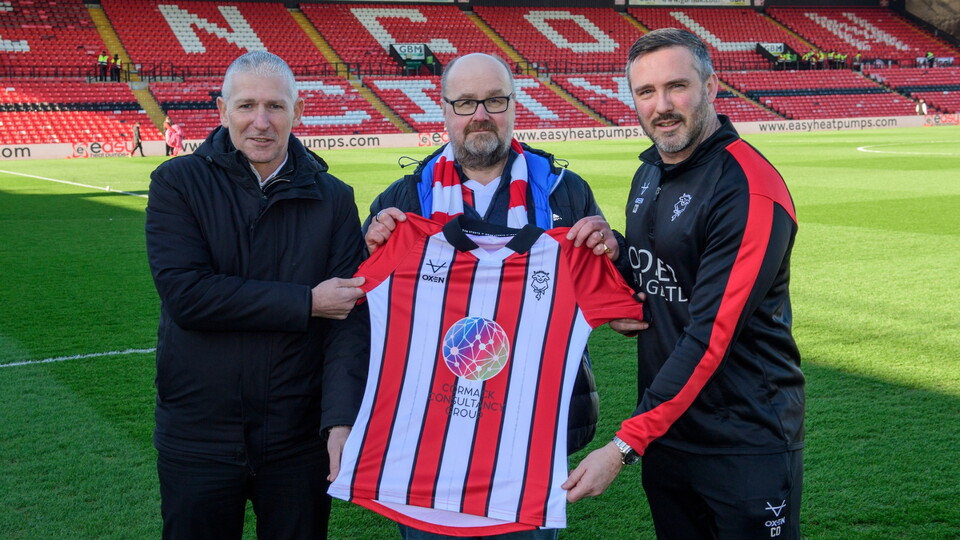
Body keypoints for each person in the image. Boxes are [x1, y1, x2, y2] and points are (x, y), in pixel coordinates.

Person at [362, 52, 633, 540]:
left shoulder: (565, 194)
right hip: (425, 439)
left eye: (494, 100)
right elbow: (360, 311)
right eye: (466, 102)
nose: (480, 114)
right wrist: (371, 248)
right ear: (444, 109)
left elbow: (625, 313)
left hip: (529, 443)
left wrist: (610, 251)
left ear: (514, 105)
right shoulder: (401, 203)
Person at [563, 29, 804, 540]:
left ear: (712, 87)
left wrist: (624, 446)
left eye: (677, 86)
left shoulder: (748, 189)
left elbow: (711, 333)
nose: (662, 105)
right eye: (646, 92)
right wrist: (616, 250)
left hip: (742, 438)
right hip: (668, 434)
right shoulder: (650, 172)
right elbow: (659, 278)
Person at [144, 50, 369, 540]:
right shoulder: (176, 183)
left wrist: (339, 420)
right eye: (246, 106)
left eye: (275, 106)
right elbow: (187, 296)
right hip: (198, 432)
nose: (261, 122)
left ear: (298, 111)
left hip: (297, 436)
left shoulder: (333, 197)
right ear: (223, 111)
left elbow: (350, 319)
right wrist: (307, 302)